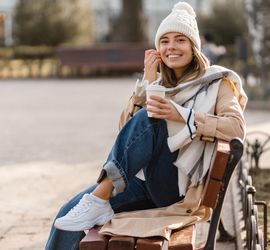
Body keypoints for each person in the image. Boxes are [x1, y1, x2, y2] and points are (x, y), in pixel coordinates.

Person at [45, 2, 247, 249]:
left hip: (176, 187)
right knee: (67, 214)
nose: (171, 46)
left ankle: (100, 196)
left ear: (194, 47)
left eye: (180, 40)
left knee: (152, 116)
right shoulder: (158, 83)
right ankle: (98, 199)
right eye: (164, 41)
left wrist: (184, 115)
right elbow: (126, 134)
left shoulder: (218, 82)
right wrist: (147, 84)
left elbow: (236, 127)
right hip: (141, 181)